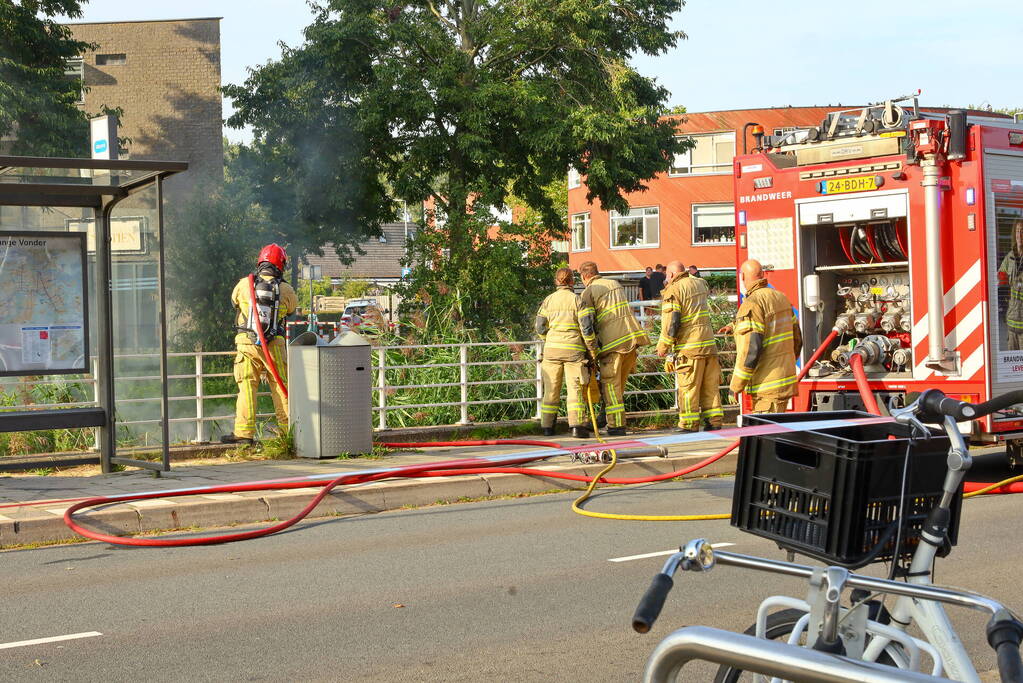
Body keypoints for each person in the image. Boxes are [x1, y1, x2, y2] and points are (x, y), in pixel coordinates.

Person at [221, 244, 298, 445]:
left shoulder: (243, 285)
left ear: (260, 262)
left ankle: (244, 435)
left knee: (247, 387)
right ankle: (289, 432)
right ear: (281, 264)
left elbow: (233, 302)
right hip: (274, 346)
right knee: (280, 388)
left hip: (247, 345)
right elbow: (291, 310)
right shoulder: (286, 289)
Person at [579, 261, 650, 436]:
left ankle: (616, 426)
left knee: (610, 387)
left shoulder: (589, 291)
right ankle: (604, 418)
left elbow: (587, 323)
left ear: (584, 276)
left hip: (613, 345)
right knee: (618, 388)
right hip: (631, 341)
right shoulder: (614, 283)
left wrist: (590, 349)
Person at [728, 259, 802, 413]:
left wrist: (736, 386)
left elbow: (751, 350)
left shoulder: (751, 304)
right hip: (783, 380)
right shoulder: (781, 297)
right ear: (762, 275)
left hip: (766, 385)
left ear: (742, 277)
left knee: (765, 434)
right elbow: (797, 338)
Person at [656, 260, 722, 431]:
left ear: (670, 275)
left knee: (688, 388)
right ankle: (714, 422)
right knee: (710, 387)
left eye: (667, 276)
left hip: (690, 347)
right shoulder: (700, 283)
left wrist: (664, 345)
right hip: (709, 344)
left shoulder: (674, 289)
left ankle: (688, 424)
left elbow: (672, 321)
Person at [535, 268, 596, 438]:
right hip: (574, 351)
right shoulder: (578, 300)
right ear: (571, 282)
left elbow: (539, 326)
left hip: (551, 350)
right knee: (574, 389)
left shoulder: (548, 300)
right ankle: (576, 427)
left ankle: (547, 427)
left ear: (556, 281)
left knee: (551, 389)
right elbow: (587, 328)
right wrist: (591, 349)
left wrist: (548, 338)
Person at [998, 218, 1023, 350]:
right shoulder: (1010, 257)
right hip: (1011, 322)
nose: (1019, 235)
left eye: (1022, 231)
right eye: (1018, 231)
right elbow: (1000, 281)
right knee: (1011, 365)